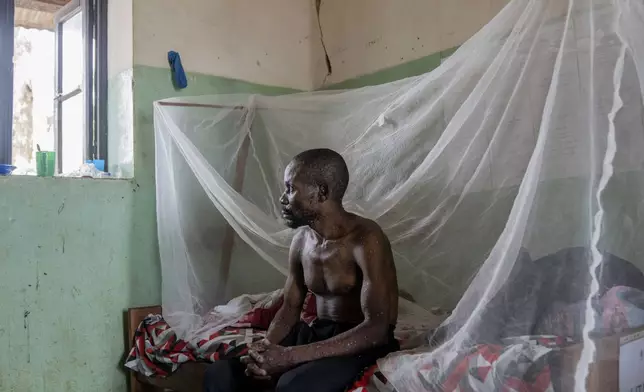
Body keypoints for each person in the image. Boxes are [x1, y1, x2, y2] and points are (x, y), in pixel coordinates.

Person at [203, 148, 399, 392]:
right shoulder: (302, 241)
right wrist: (266, 350)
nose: (283, 199)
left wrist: (291, 356)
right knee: (222, 374)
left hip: (359, 343)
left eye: (290, 188)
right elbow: (289, 309)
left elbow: (377, 329)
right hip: (318, 333)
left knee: (292, 385)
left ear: (321, 192)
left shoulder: (366, 239)